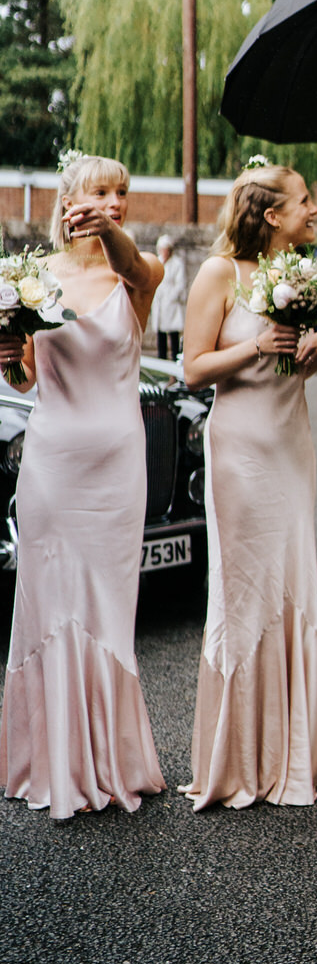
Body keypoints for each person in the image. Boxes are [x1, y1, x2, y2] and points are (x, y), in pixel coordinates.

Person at [180, 161, 317, 810]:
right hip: (241, 450)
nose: (315, 210)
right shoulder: (219, 273)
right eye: (305, 201)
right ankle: (241, 757)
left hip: (292, 442)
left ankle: (298, 751)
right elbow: (193, 368)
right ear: (272, 215)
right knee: (245, 588)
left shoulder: (307, 274)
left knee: (294, 580)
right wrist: (259, 345)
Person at [0, 154, 166, 819]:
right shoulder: (32, 281)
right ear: (67, 199)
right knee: (49, 602)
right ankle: (47, 758)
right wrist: (10, 359)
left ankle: (110, 759)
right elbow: (26, 383)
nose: (114, 200)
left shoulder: (138, 271)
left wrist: (108, 229)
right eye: (100, 191)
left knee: (106, 608)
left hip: (117, 468)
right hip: (54, 464)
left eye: (121, 191)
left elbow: (130, 265)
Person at [153, 235, 187, 361]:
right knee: (160, 332)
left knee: (173, 333)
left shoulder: (177, 264)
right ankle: (161, 358)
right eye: (162, 249)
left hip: (171, 302)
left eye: (166, 249)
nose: (164, 252)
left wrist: (171, 297)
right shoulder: (157, 261)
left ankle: (174, 358)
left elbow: (180, 284)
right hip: (160, 300)